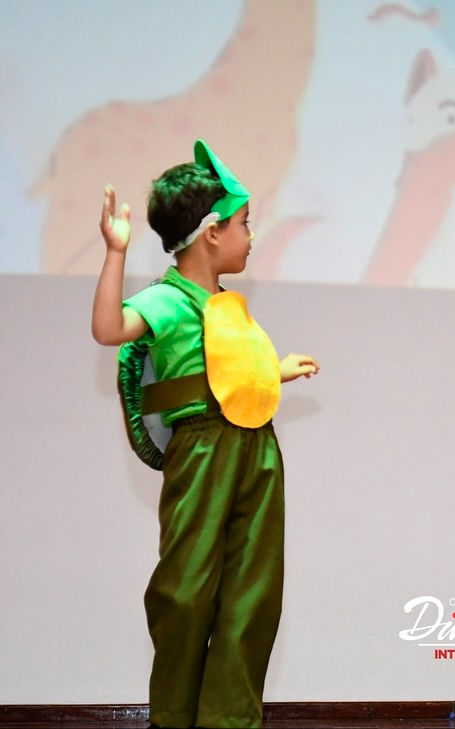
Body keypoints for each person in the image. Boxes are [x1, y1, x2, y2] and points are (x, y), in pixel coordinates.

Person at [91, 140, 320, 729]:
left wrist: (277, 370)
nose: (251, 235)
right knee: (187, 587)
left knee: (252, 589)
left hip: (257, 449)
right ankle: (174, 713)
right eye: (244, 224)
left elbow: (231, 375)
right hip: (201, 451)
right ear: (212, 233)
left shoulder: (231, 306)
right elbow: (109, 328)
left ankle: (230, 718)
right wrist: (116, 252)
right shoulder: (165, 300)